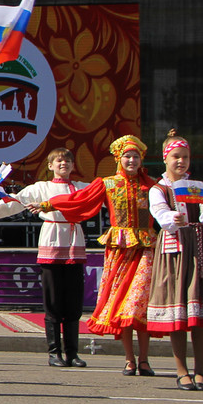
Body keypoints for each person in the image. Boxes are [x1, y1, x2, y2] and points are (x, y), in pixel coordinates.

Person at [48, 135, 160, 377]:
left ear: (142, 160)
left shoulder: (152, 187)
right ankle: (130, 359)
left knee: (140, 304)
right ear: (119, 159)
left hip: (145, 250)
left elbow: (177, 198)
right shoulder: (108, 184)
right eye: (127, 156)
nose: (132, 160)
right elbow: (80, 200)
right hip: (119, 250)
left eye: (136, 156)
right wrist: (50, 204)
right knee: (122, 304)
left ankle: (145, 359)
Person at [0, 148, 91, 367]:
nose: (64, 164)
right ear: (50, 166)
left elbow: (99, 195)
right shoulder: (42, 188)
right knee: (53, 301)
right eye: (59, 160)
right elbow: (14, 202)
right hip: (52, 240)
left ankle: (72, 352)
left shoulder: (81, 188)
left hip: (74, 243)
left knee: (73, 302)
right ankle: (54, 353)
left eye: (68, 161)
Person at [145, 129, 203, 390]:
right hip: (173, 251)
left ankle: (201, 371)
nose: (181, 161)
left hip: (197, 249)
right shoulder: (158, 188)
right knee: (178, 311)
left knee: (199, 313)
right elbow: (159, 213)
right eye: (176, 157)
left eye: (185, 156)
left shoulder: (198, 186)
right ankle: (181, 370)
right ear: (165, 158)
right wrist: (173, 218)